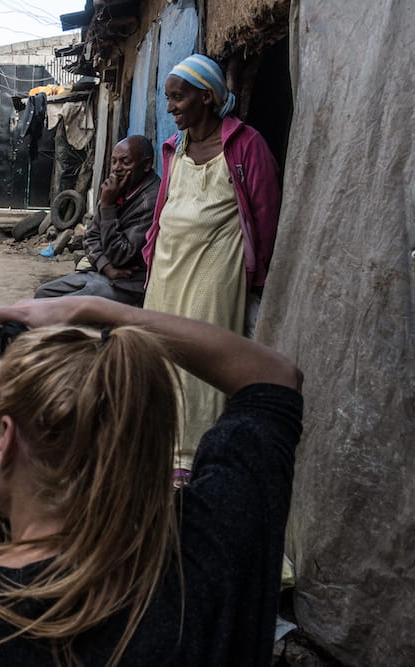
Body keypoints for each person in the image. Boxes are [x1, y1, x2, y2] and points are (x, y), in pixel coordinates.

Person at [0, 295, 302, 666]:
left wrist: (2, 493)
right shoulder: (215, 537)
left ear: (6, 439)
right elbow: (274, 377)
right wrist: (94, 309)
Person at [142, 54, 282, 482]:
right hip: (167, 270)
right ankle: (158, 447)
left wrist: (255, 279)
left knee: (202, 359)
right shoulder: (173, 149)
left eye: (178, 98)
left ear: (207, 97)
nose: (171, 108)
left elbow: (266, 216)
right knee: (158, 355)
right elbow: (162, 209)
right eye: (167, 99)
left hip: (215, 273)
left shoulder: (245, 145)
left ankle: (194, 458)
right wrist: (150, 254)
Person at [35, 135, 159, 306]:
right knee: (43, 293)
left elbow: (121, 255)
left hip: (129, 285)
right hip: (104, 272)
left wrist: (108, 206)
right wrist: (106, 266)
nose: (116, 168)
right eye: (114, 161)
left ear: (146, 164)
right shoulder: (119, 188)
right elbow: (90, 237)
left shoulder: (151, 201)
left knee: (57, 307)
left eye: (125, 162)